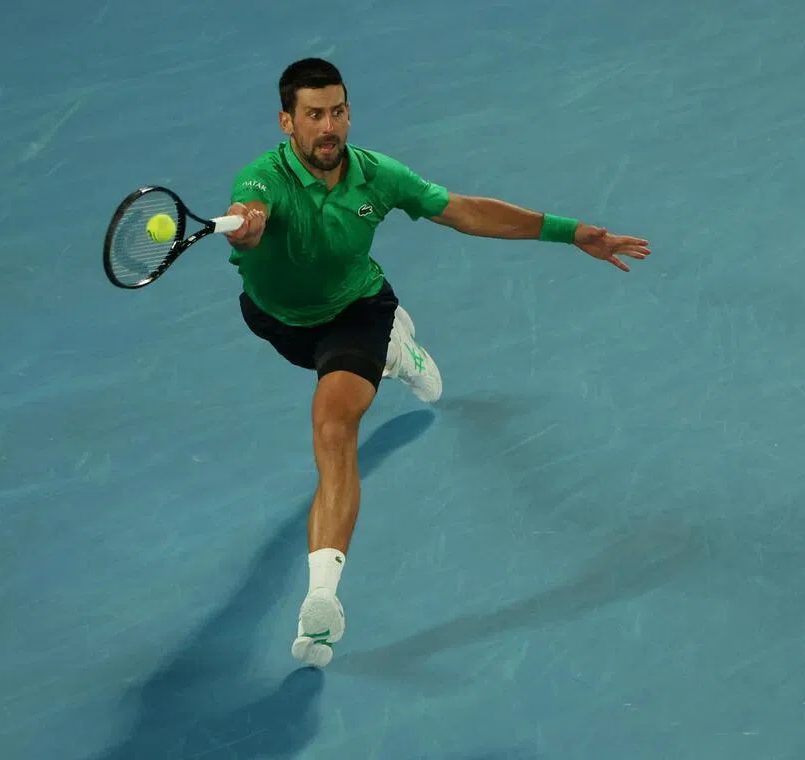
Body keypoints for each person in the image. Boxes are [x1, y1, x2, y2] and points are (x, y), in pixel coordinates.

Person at [222, 58, 650, 668]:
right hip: (277, 321)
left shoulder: (377, 176)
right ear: (286, 122)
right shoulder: (260, 178)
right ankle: (400, 350)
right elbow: (253, 211)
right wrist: (250, 226)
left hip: (353, 314)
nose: (329, 127)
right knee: (334, 395)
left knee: (333, 423)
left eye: (338, 111)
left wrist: (568, 231)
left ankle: (322, 600)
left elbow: (465, 211)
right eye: (313, 115)